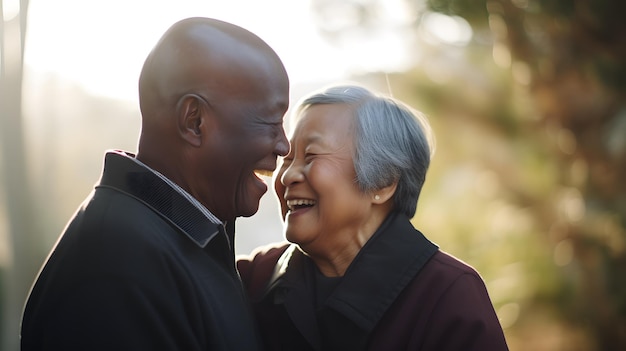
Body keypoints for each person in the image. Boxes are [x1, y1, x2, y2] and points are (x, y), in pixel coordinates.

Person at [20, 17, 290, 350]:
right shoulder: (112, 272)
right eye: (271, 122)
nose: (284, 146)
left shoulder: (175, 237)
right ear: (194, 121)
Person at [237, 84, 509, 350]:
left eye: (310, 156)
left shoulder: (447, 294)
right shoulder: (255, 277)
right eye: (287, 158)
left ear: (383, 183)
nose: (286, 176)